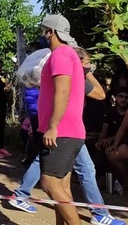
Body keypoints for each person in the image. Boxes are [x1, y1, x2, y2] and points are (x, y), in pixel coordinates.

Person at [9, 46, 126, 225]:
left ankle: (22, 194)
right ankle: (98, 212)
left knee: (62, 178)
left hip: (66, 131)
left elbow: (97, 94)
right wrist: (84, 72)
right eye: (87, 63)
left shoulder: (69, 75)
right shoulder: (70, 76)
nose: (90, 67)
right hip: (66, 132)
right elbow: (99, 93)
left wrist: (84, 70)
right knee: (68, 175)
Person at [35, 14, 85, 225]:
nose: (41, 34)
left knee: (50, 184)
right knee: (62, 187)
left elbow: (62, 91)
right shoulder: (69, 54)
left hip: (61, 131)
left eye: (43, 30)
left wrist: (53, 126)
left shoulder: (61, 55)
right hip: (69, 130)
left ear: (51, 32)